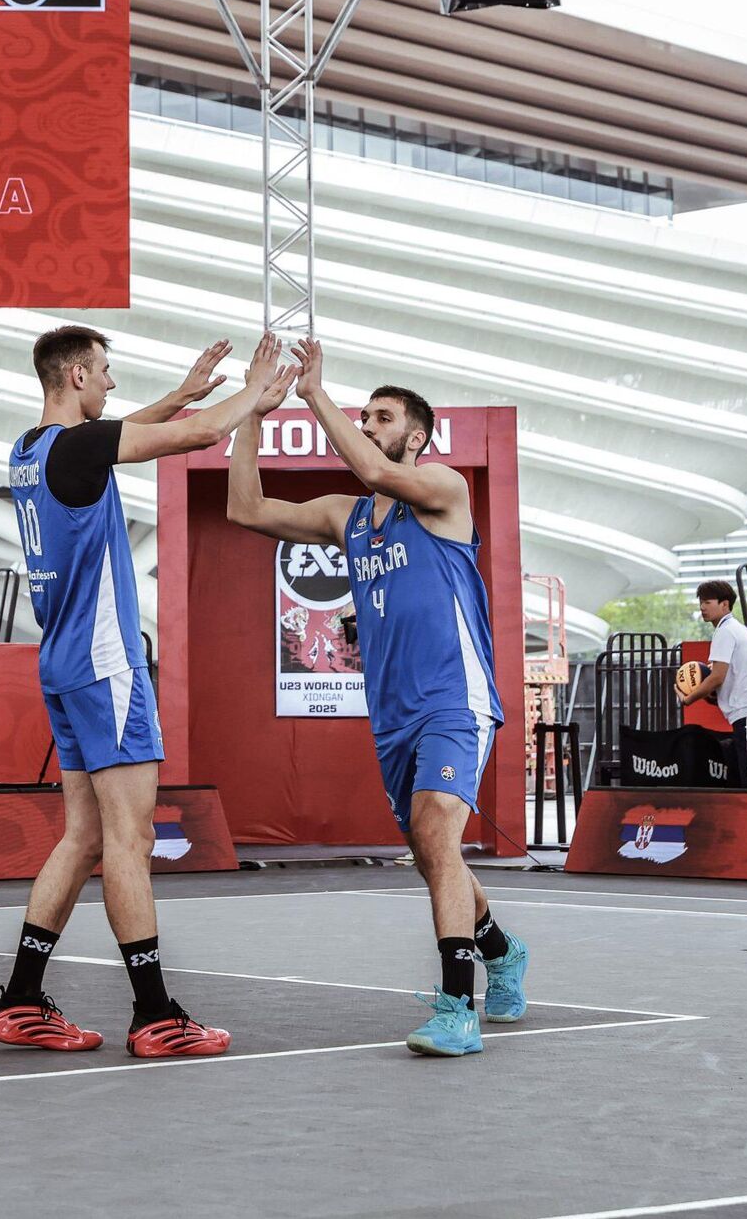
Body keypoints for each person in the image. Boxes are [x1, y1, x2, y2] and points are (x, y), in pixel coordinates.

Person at [223, 336, 526, 1060]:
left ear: (416, 437)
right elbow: (245, 508)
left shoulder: (444, 490)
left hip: (454, 700)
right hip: (392, 716)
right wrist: (252, 413)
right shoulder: (347, 517)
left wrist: (314, 395)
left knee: (436, 833)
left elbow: (373, 467)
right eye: (365, 416)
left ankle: (457, 1008)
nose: (368, 424)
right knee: (430, 851)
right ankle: (501, 949)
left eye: (382, 417)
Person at [0, 331, 279, 1060]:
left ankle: (21, 998)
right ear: (77, 373)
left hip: (63, 665)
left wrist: (183, 393)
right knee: (131, 839)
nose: (112, 383)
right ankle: (154, 1013)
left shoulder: (30, 450)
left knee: (84, 836)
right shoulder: (79, 448)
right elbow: (201, 436)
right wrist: (255, 392)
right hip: (105, 664)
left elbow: (118, 436)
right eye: (105, 371)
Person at [679, 578, 747, 790]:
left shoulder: (725, 631)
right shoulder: (734, 628)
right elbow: (724, 677)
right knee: (744, 780)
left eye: (707, 602)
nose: (702, 607)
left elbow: (717, 678)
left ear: (725, 604)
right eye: (701, 602)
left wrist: (688, 698)